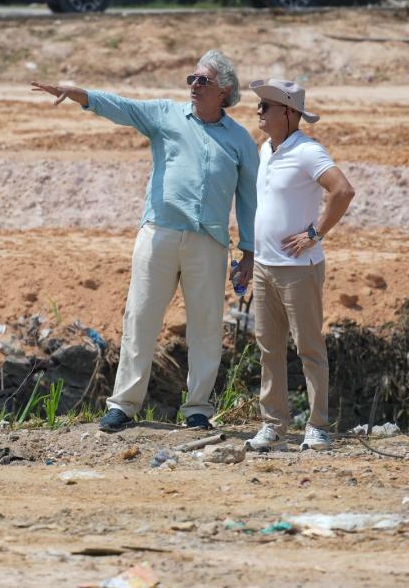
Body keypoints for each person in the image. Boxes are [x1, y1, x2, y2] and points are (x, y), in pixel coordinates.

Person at [31, 50, 259, 433]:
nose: (194, 86)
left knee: (205, 326)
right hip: (160, 233)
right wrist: (79, 93)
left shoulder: (239, 140)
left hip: (210, 242)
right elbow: (122, 107)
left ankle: (198, 410)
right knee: (140, 318)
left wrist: (249, 250)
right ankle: (123, 405)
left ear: (225, 91)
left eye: (203, 80)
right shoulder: (166, 114)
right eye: (192, 79)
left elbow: (250, 199)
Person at [244, 79, 355, 452]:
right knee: (269, 348)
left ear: (288, 114)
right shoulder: (266, 150)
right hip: (264, 267)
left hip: (298, 268)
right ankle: (274, 425)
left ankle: (317, 426)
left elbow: (343, 190)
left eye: (266, 107)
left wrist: (314, 233)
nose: (258, 111)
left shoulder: (308, 151)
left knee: (308, 346)